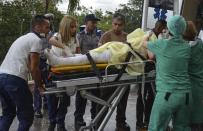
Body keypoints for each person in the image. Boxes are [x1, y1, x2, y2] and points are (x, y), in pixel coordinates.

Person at [0, 15, 50, 131]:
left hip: (2, 77)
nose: (49, 30)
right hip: (14, 79)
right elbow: (34, 68)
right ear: (37, 27)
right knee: (26, 116)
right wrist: (40, 86)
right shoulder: (36, 40)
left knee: (8, 113)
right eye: (46, 27)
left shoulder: (23, 38)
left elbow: (27, 63)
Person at [142, 15, 192, 131]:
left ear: (168, 28)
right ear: (183, 29)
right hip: (186, 95)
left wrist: (148, 34)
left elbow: (143, 43)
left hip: (167, 95)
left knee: (156, 127)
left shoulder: (162, 44)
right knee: (182, 127)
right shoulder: (187, 47)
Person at [96, 12, 131, 131]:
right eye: (115, 24)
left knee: (123, 101)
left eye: (119, 25)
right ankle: (98, 123)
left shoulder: (127, 37)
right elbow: (99, 53)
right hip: (109, 73)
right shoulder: (106, 36)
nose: (117, 27)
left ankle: (121, 123)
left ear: (123, 25)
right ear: (112, 24)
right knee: (104, 100)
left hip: (124, 72)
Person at [46, 15, 79, 131]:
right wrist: (64, 47)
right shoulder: (57, 36)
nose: (74, 29)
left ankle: (60, 123)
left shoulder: (75, 39)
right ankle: (52, 122)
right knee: (52, 100)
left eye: (75, 26)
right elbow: (50, 40)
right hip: (53, 72)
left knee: (65, 101)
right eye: (72, 27)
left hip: (68, 73)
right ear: (66, 26)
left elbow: (78, 54)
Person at [136, 19, 167, 130]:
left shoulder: (157, 36)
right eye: (164, 29)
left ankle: (147, 120)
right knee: (142, 96)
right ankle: (139, 123)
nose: (165, 31)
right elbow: (151, 56)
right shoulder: (149, 35)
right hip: (145, 70)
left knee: (151, 97)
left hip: (153, 71)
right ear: (160, 27)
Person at [74, 14, 100, 131]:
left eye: (95, 22)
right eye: (92, 22)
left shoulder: (97, 36)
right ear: (86, 22)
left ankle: (95, 118)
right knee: (81, 96)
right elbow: (76, 53)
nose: (94, 24)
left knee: (96, 95)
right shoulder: (80, 36)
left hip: (95, 70)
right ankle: (79, 119)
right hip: (83, 70)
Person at [33, 13, 54, 118]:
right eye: (49, 19)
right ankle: (37, 109)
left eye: (51, 20)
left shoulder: (52, 34)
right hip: (39, 60)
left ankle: (47, 104)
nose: (50, 21)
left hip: (49, 60)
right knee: (38, 84)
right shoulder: (36, 34)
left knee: (49, 82)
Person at [183, 21, 203, 131]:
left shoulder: (184, 48)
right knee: (198, 117)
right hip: (200, 86)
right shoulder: (200, 44)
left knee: (187, 118)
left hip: (186, 87)